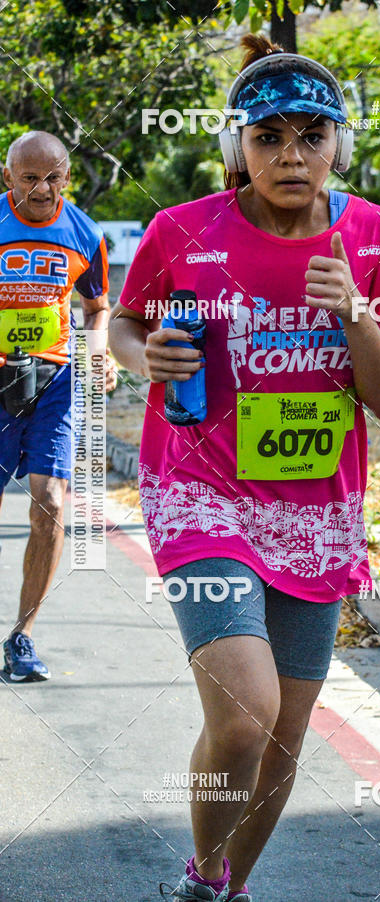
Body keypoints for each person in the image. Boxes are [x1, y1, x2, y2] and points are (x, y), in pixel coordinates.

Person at [108, 33, 380, 902]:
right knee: (245, 715)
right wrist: (146, 357)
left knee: (285, 732)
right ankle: (205, 870)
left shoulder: (377, 235)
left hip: (316, 509)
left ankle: (221, 886)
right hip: (199, 491)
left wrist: (356, 313)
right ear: (237, 147)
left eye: (312, 136)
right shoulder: (183, 231)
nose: (292, 155)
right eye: (269, 137)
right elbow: (126, 323)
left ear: (338, 145)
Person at [0, 130, 117, 682]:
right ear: (8, 178)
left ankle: (21, 636)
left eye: (54, 177)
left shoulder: (84, 233)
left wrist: (99, 351)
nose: (43, 189)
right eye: (30, 178)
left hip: (55, 381)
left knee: (48, 503)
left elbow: (97, 307)